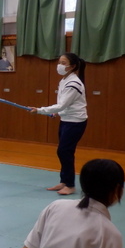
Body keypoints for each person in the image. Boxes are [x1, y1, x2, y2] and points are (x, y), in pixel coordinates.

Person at [29, 53, 87, 195]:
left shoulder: (73, 84)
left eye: (63, 63)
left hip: (75, 122)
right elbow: (64, 104)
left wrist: (40, 110)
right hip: (66, 120)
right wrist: (57, 112)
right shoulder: (64, 80)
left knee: (64, 151)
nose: (59, 65)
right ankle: (64, 181)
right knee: (63, 152)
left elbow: (62, 105)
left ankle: (70, 185)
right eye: (59, 62)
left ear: (72, 66)